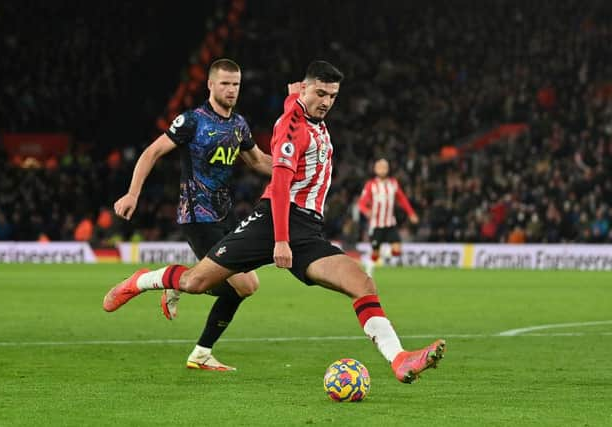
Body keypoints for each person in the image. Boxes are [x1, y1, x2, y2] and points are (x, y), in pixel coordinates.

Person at [104, 60, 446, 384]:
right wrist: (280, 240)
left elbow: (266, 151)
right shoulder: (286, 127)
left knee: (362, 284)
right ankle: (143, 281)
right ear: (307, 91)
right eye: (321, 94)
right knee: (195, 282)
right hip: (271, 222)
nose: (327, 102)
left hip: (308, 229)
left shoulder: (294, 115)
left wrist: (293, 98)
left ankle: (400, 360)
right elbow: (280, 183)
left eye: (332, 96)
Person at [112, 58, 272, 371]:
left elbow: (258, 162)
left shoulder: (238, 124)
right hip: (197, 216)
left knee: (247, 286)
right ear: (210, 84)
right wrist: (133, 193)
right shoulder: (192, 121)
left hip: (225, 216)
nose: (231, 90)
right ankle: (158, 279)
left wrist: (292, 169)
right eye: (224, 83)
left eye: (236, 84)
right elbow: (152, 152)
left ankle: (200, 352)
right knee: (240, 284)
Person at [358, 158, 419, 276]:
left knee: (397, 251)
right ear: (375, 169)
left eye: (384, 167)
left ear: (388, 169)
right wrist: (366, 211)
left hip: (390, 223)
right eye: (379, 167)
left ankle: (379, 255)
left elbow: (402, 199)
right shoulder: (371, 185)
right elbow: (361, 203)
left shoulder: (393, 183)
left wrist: (411, 213)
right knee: (375, 255)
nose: (382, 169)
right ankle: (369, 273)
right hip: (376, 225)